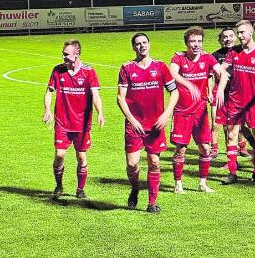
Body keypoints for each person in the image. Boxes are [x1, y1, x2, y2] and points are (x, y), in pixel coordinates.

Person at [118, 33, 179, 214]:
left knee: (154, 163)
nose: (141, 46)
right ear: (133, 47)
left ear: (149, 45)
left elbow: (174, 93)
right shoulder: (127, 68)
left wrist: (166, 114)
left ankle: (152, 203)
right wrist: (132, 119)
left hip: (155, 125)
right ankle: (135, 188)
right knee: (132, 164)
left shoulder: (160, 66)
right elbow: (120, 98)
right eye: (137, 44)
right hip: (134, 125)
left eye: (144, 43)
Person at [43, 39, 104, 200]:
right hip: (62, 122)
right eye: (63, 54)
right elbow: (49, 91)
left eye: (66, 54)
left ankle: (80, 189)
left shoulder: (89, 72)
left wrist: (100, 113)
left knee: (81, 156)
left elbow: (96, 95)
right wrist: (47, 109)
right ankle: (59, 185)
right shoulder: (58, 71)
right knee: (59, 155)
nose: (63, 57)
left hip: (82, 124)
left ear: (77, 54)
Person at [216, 20, 255, 185]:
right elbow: (222, 69)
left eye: (241, 33)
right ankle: (233, 173)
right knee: (232, 135)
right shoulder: (233, 52)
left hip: (253, 103)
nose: (239, 36)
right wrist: (219, 85)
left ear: (250, 33)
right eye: (237, 33)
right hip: (234, 101)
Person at [169, 26, 222, 194]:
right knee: (181, 149)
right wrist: (188, 83)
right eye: (192, 41)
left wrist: (219, 89)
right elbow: (172, 74)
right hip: (182, 112)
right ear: (186, 43)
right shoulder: (179, 58)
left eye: (199, 41)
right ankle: (178, 184)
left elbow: (222, 73)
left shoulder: (207, 57)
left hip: (200, 111)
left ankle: (202, 183)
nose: (196, 44)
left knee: (205, 148)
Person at [211, 28, 253, 162]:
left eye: (230, 36)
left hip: (241, 94)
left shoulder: (242, 51)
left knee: (242, 124)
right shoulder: (215, 55)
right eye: (224, 37)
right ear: (220, 39)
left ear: (235, 37)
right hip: (224, 94)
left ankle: (244, 147)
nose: (227, 39)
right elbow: (212, 76)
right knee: (225, 126)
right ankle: (230, 155)